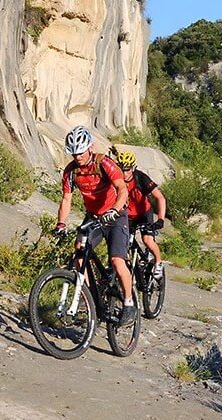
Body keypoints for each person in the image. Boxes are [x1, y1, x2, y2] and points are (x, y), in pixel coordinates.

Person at [54, 126, 137, 325]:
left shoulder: (104, 163)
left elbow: (122, 189)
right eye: (73, 153)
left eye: (80, 151)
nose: (77, 156)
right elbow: (66, 199)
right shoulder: (71, 171)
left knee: (117, 260)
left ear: (90, 147)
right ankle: (90, 299)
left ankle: (129, 304)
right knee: (79, 252)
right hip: (94, 217)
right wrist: (61, 224)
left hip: (116, 216)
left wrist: (114, 210)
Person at [113, 151, 166, 278]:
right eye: (122, 170)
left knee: (147, 240)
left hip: (143, 213)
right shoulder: (115, 179)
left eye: (128, 170)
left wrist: (160, 219)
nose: (125, 173)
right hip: (127, 215)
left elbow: (160, 198)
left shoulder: (140, 178)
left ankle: (158, 263)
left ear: (133, 168)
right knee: (121, 244)